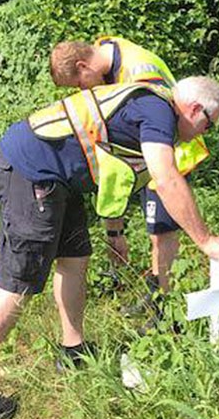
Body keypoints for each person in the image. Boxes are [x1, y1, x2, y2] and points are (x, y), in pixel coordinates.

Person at [0, 76, 219, 419]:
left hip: (58, 181)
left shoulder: (152, 104)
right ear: (194, 108)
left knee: (74, 259)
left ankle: (73, 351)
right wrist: (206, 240)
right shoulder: (159, 112)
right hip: (30, 171)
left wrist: (115, 232)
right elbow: (167, 178)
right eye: (209, 124)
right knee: (18, 282)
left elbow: (114, 173)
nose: (205, 132)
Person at [49, 37, 208, 315]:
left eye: (77, 84)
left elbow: (163, 134)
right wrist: (114, 230)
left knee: (161, 231)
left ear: (83, 66)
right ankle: (155, 293)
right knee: (154, 231)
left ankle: (164, 308)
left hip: (170, 157)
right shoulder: (106, 52)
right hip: (144, 156)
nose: (81, 90)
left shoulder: (139, 73)